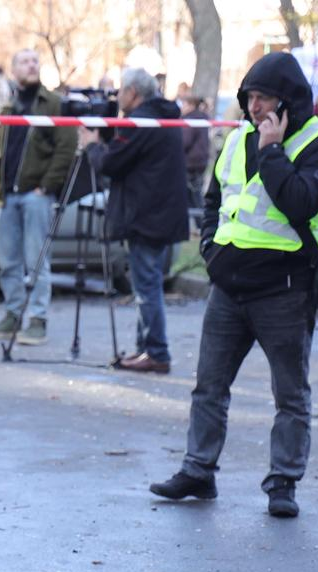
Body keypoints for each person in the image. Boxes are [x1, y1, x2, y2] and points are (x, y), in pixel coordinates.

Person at [150, 52, 318, 519]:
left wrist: (271, 150)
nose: (253, 107)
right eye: (249, 97)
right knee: (209, 386)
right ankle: (198, 470)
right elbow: (214, 201)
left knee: (290, 395)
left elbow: (301, 203)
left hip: (285, 289)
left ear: (287, 101)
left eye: (263, 97)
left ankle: (283, 482)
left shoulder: (317, 143)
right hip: (228, 288)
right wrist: (210, 249)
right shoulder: (235, 140)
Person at [0, 48, 77, 345]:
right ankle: (12, 314)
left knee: (37, 260)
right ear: (14, 70)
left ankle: (37, 320)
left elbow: (66, 149)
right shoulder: (8, 109)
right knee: (8, 261)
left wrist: (46, 186)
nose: (32, 65)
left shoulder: (53, 104)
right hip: (8, 197)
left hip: (36, 196)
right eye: (25, 61)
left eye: (35, 61)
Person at [80, 68, 190, 374]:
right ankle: (147, 348)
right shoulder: (164, 114)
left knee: (147, 286)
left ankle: (156, 351)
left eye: (121, 91)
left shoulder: (140, 121)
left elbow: (112, 163)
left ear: (133, 92)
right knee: (148, 283)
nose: (117, 97)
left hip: (147, 216)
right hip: (162, 213)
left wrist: (92, 145)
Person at [182, 93, 212, 213]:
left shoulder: (190, 120)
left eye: (184, 104)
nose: (182, 107)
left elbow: (185, 142)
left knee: (193, 195)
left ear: (191, 105)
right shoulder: (202, 118)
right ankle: (199, 223)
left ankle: (200, 222)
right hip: (200, 161)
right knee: (194, 195)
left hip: (190, 162)